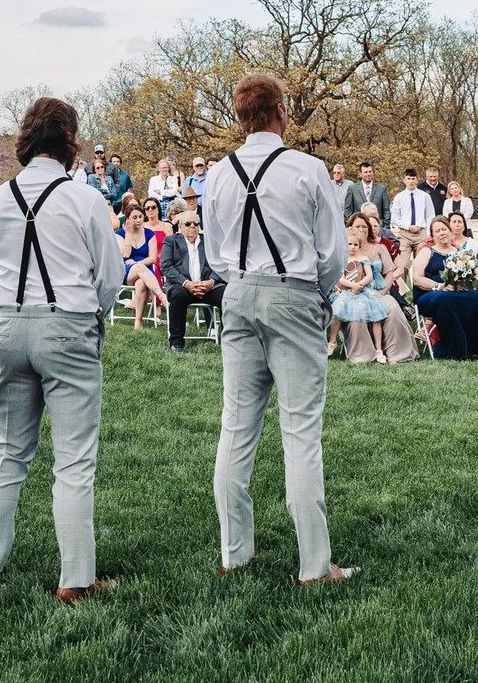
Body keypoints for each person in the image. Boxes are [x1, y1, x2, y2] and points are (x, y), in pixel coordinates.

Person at [201, 72, 355, 585]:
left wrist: (243, 280)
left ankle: (234, 553)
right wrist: (318, 292)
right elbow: (333, 252)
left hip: (240, 294)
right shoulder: (307, 169)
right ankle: (314, 565)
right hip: (292, 293)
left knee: (236, 426)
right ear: (280, 111)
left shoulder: (218, 174)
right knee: (301, 431)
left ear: (240, 117)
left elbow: (216, 248)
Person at [0, 97, 124, 601]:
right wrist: (94, 316)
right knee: (74, 461)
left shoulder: (0, 200)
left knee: (8, 452)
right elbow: (110, 274)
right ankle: (76, 580)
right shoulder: (83, 199)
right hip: (68, 326)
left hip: (11, 325)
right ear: (69, 142)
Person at [410, 214, 478, 360]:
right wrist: (439, 286)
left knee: (475, 297)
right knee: (444, 298)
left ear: (450, 231)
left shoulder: (459, 253)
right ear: (432, 235)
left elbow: (469, 275)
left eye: (444, 229)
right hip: (431, 294)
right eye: (437, 231)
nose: (441, 233)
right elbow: (417, 278)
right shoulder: (428, 251)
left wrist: (463, 285)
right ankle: (452, 350)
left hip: (457, 291)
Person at [160, 208, 225, 352]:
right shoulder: (171, 241)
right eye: (188, 223)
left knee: (227, 295)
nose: (192, 227)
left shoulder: (208, 242)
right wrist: (187, 283)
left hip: (207, 286)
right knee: (177, 295)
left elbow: (221, 264)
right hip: (182, 286)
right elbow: (166, 266)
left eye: (196, 223)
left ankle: (228, 339)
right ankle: (176, 341)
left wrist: (211, 282)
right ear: (180, 226)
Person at [331, 218, 393, 362]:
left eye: (355, 244)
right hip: (348, 292)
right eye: (349, 244)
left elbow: (369, 275)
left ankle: (378, 349)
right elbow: (340, 278)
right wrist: (352, 286)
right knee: (338, 313)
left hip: (365, 291)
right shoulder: (343, 259)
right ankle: (332, 342)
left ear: (359, 245)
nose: (352, 247)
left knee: (376, 317)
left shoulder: (364, 258)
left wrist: (360, 285)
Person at [114, 206, 167, 329]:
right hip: (126, 271)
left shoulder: (149, 234)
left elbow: (153, 258)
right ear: (127, 219)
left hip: (144, 271)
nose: (138, 220)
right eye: (134, 217)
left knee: (142, 283)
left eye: (140, 217)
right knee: (139, 268)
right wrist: (129, 233)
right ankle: (161, 295)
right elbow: (125, 254)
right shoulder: (120, 234)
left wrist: (139, 263)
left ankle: (138, 321)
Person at [389, 169, 435, 236]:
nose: (411, 181)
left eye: (413, 179)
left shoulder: (425, 196)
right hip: (404, 233)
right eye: (408, 179)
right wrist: (408, 226)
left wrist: (428, 233)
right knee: (402, 246)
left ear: (417, 180)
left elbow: (430, 216)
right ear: (404, 180)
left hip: (421, 232)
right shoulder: (398, 197)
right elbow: (394, 218)